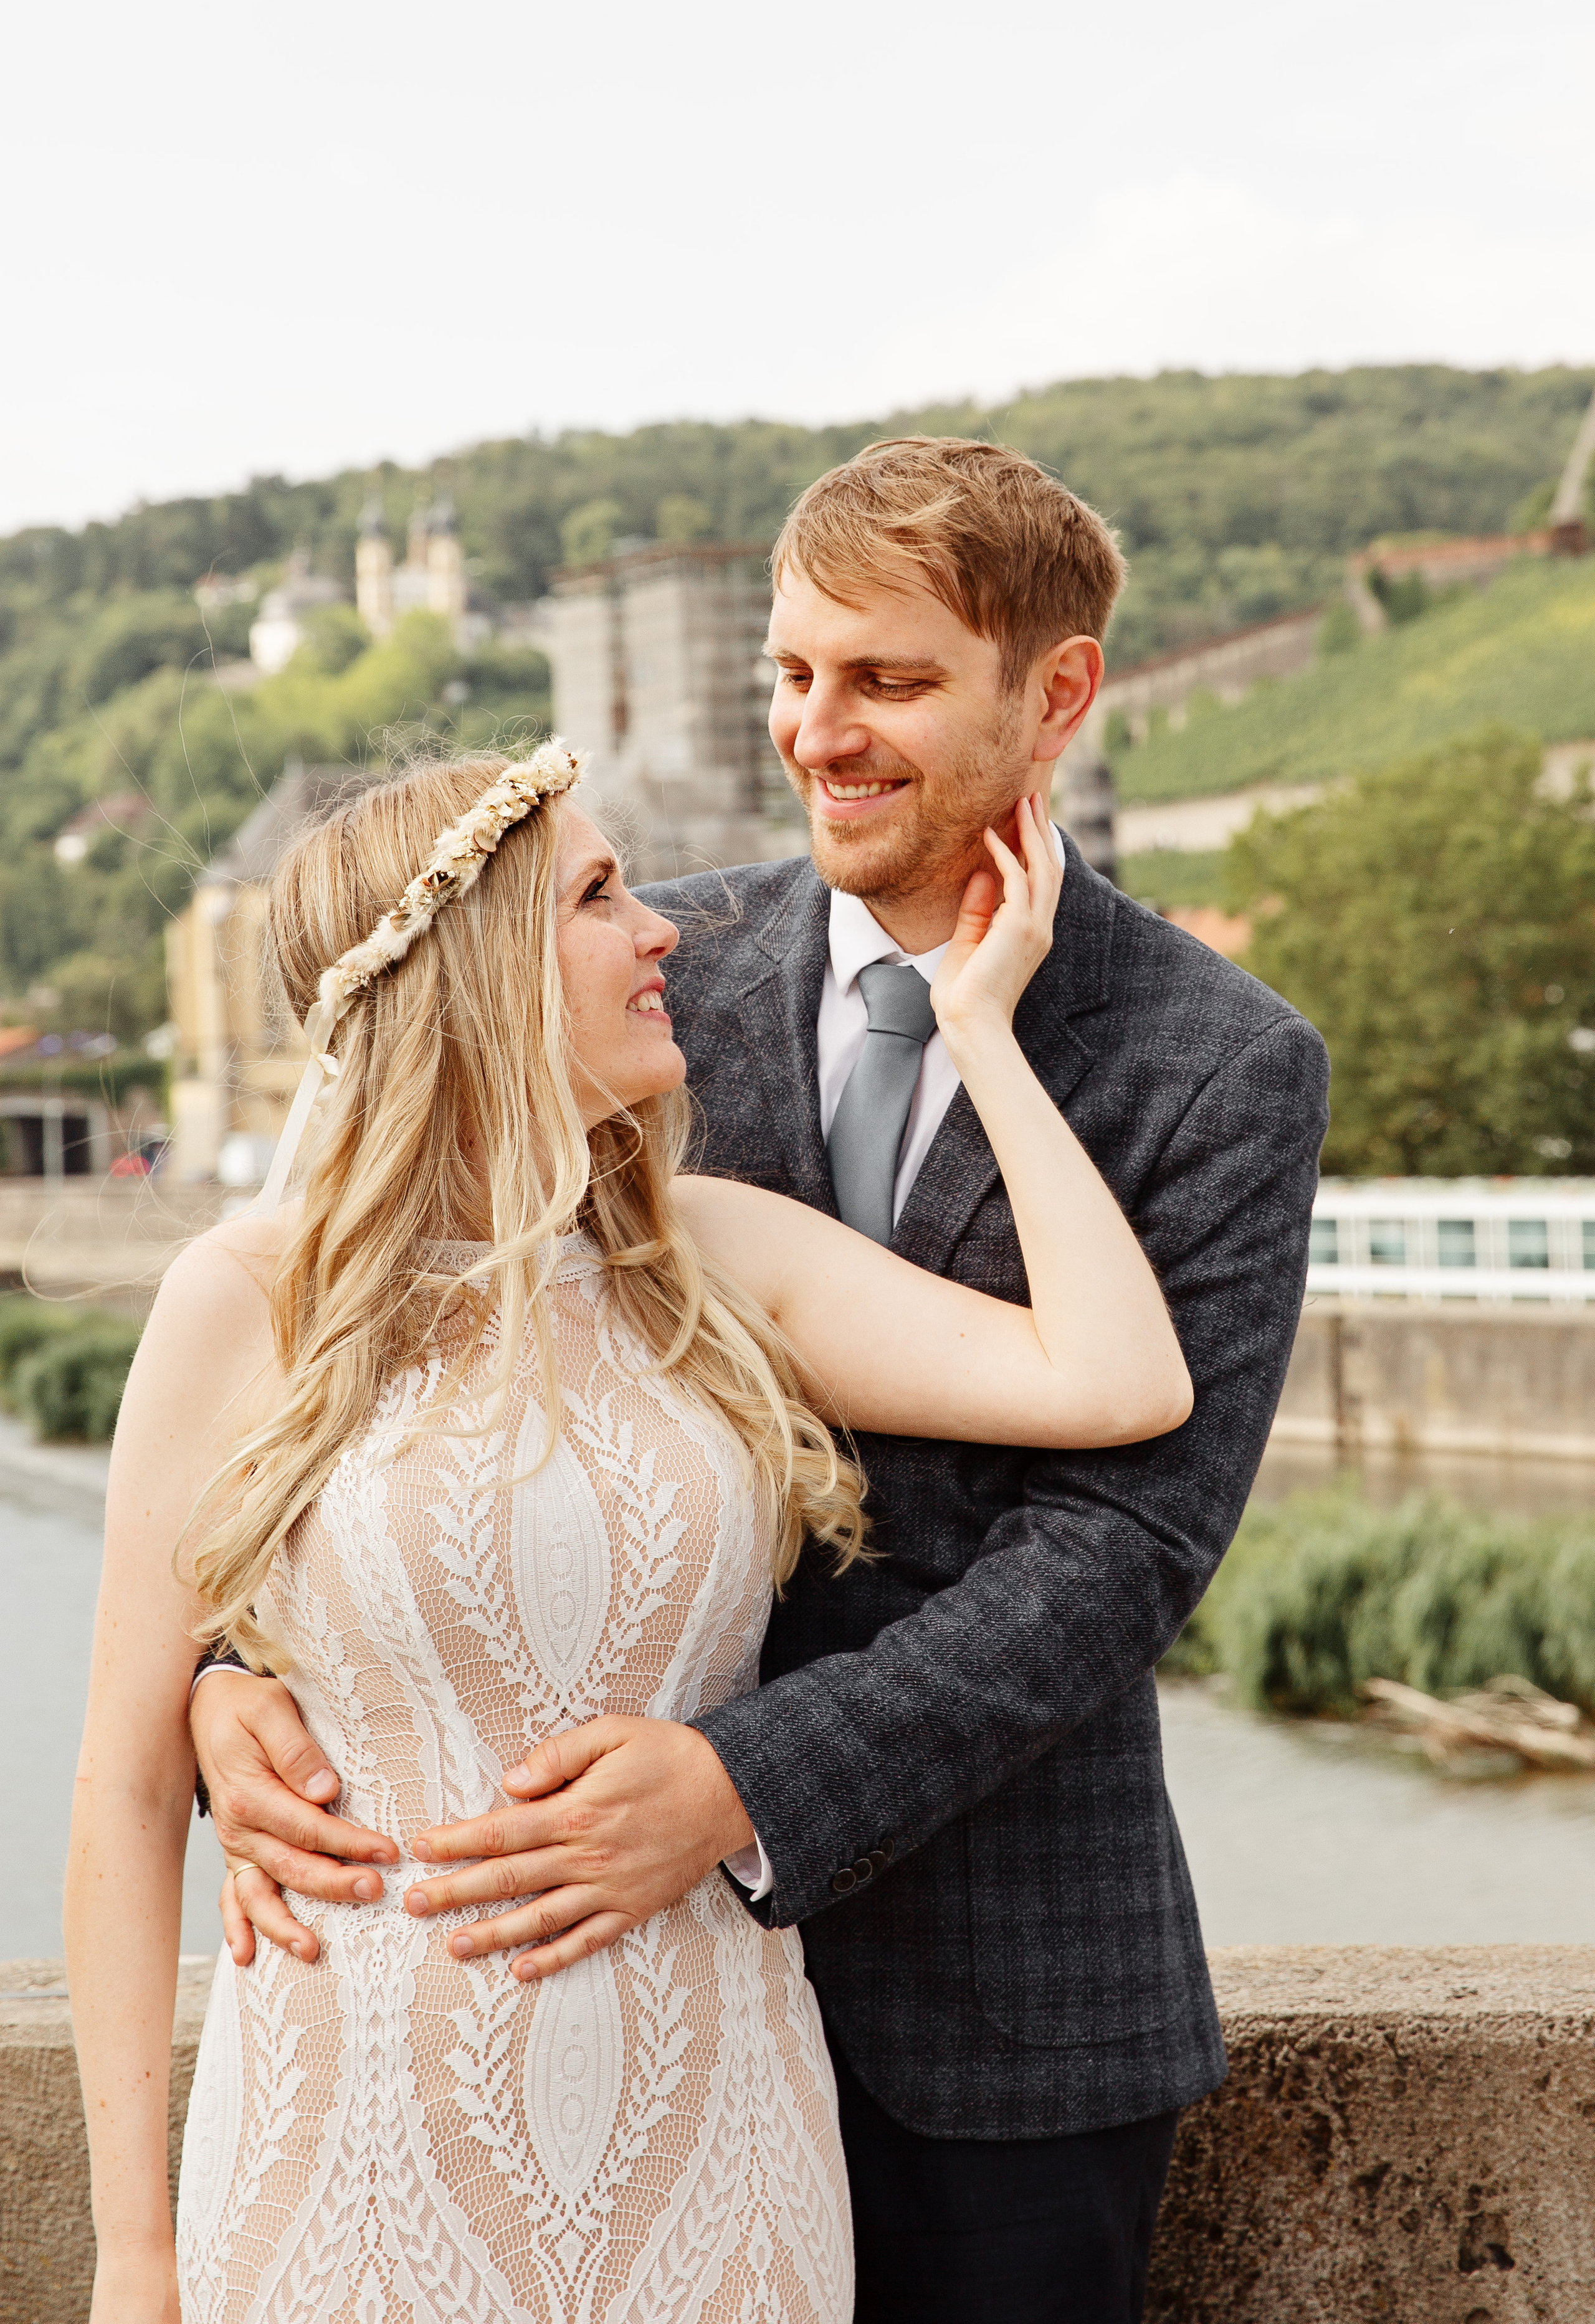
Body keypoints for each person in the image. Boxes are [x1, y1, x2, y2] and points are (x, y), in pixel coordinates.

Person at [186, 439, 1330, 2323]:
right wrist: (247, 1682)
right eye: (792, 674)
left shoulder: (1222, 1060)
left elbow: (1130, 1543)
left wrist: (742, 1780)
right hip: (589, 2003)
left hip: (1009, 2024)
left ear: (1059, 696)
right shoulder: (636, 967)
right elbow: (373, 1368)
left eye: (888, 681)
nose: (822, 732)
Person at [65, 731, 1193, 2324]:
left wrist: (981, 1029)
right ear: (475, 975)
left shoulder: (709, 1257)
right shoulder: (251, 1300)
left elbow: (1117, 1376)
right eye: (601, 895)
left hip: (718, 2144)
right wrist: (135, 2261)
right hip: (352, 2146)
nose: (664, 928)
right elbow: (120, 1794)